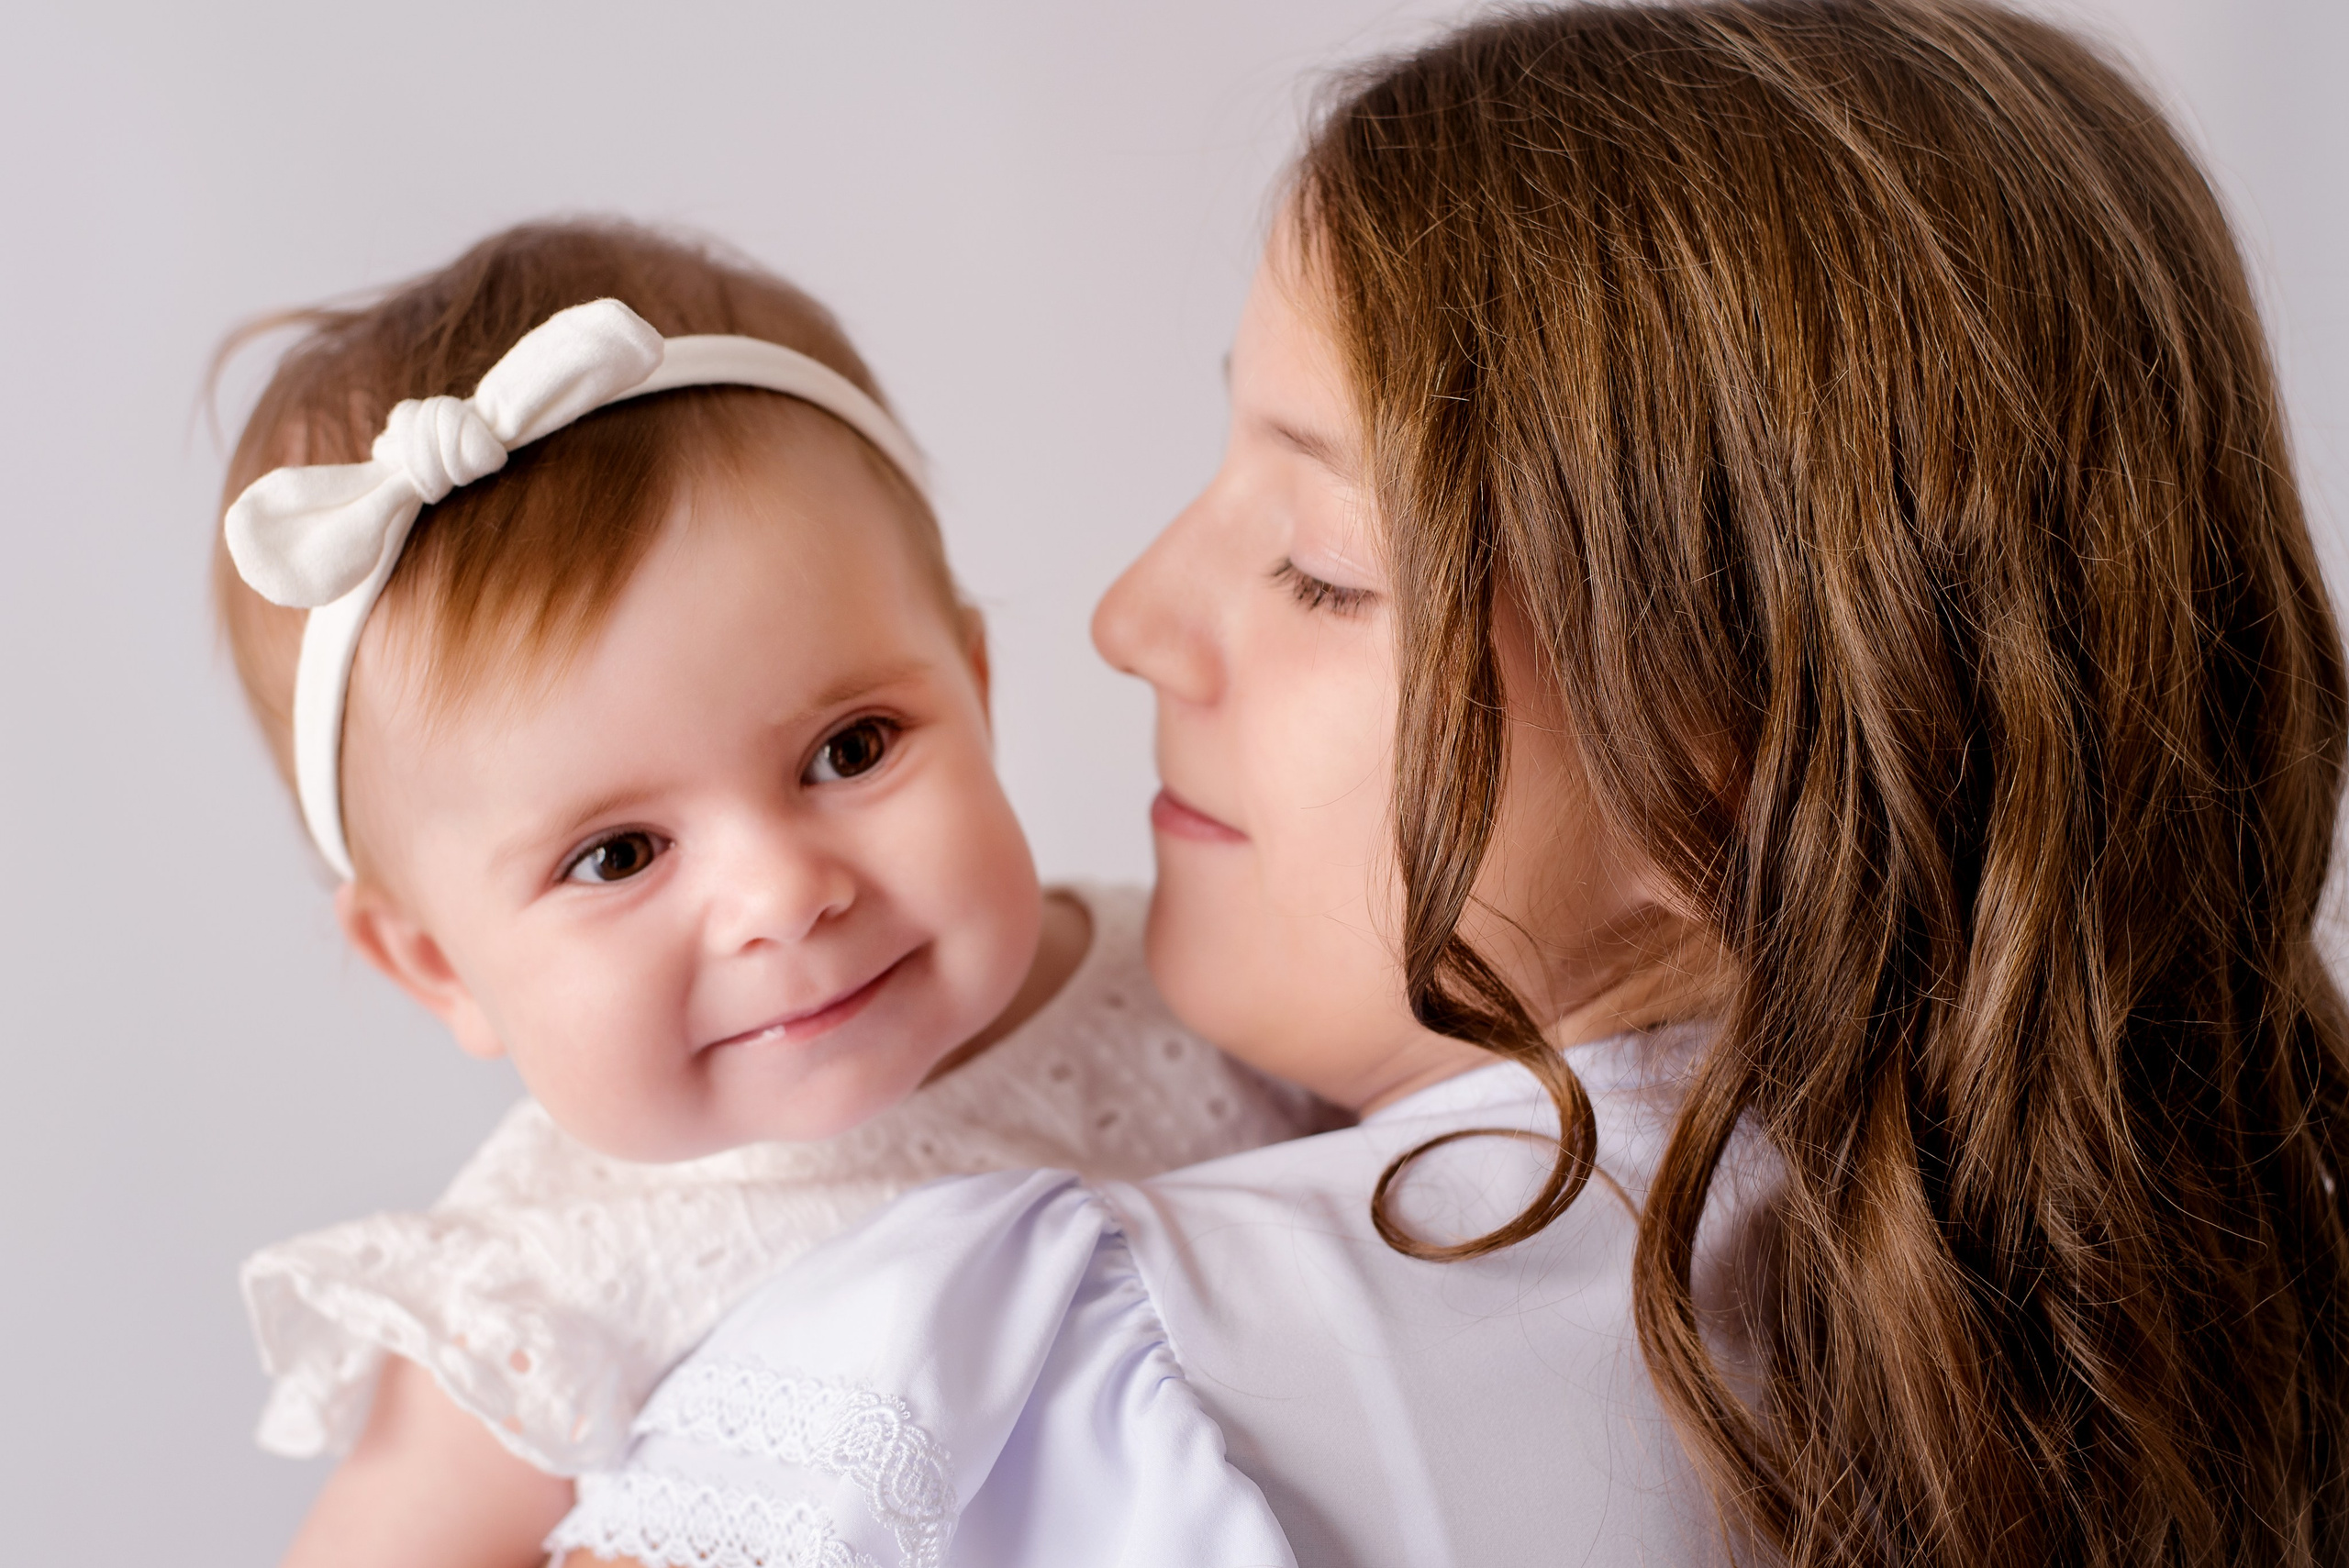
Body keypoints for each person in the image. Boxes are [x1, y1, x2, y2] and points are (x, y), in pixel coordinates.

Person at [558, 4, 2349, 1566]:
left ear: (1734, 751)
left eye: (1324, 568)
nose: (1127, 619)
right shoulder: (2203, 1304)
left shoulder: (996, 1385)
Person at [214, 222, 1329, 1568]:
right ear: (436, 965)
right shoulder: (539, 1294)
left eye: (849, 749)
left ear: (974, 691)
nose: (783, 895)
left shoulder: (1204, 979)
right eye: (618, 854)